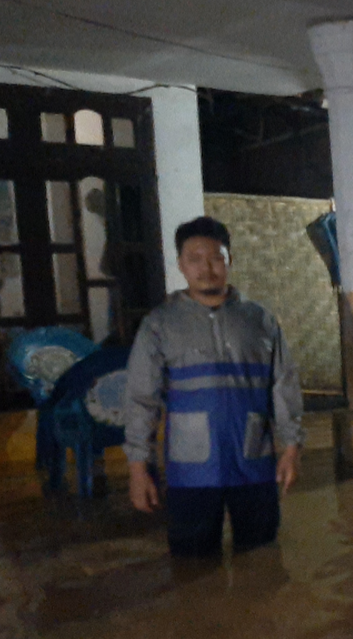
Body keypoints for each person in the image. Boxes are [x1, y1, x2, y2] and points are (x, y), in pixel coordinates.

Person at [124, 216, 304, 557]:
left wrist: (291, 449)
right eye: (195, 259)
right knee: (192, 567)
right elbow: (141, 399)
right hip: (190, 473)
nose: (206, 268)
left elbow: (284, 385)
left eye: (216, 258)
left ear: (229, 260)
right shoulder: (160, 324)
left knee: (261, 561)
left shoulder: (260, 320)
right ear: (180, 264)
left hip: (254, 466)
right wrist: (138, 469)